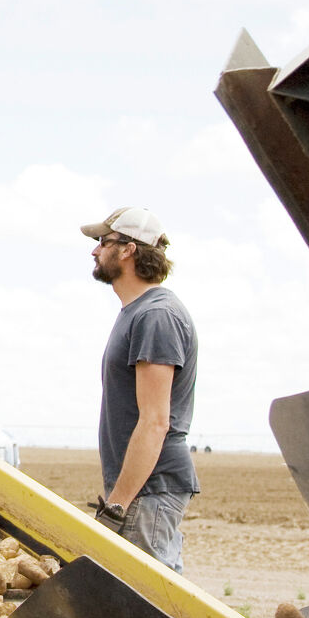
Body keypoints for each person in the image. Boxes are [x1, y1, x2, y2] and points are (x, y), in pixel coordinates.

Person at [81, 206, 198, 571]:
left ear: (129, 249)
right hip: (143, 490)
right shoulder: (138, 312)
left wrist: (117, 505)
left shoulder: (156, 315)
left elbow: (155, 421)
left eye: (104, 242)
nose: (95, 250)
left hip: (149, 490)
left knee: (144, 596)